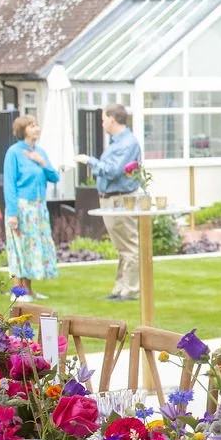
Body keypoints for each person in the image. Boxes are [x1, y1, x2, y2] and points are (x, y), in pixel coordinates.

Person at [79, 105, 144, 303]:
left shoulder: (127, 143)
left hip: (121, 198)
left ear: (113, 120)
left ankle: (132, 289)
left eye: (103, 119)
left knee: (129, 245)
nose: (102, 123)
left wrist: (90, 161)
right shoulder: (117, 142)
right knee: (121, 246)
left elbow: (114, 170)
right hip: (111, 198)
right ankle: (120, 288)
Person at [0, 115, 58, 295]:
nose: (36, 128)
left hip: (38, 209)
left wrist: (42, 162)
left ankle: (29, 290)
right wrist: (12, 213)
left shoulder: (40, 152)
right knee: (19, 247)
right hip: (21, 208)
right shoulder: (14, 153)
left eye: (37, 124)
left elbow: (54, 177)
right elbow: (9, 184)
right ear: (22, 130)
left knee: (32, 248)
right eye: (32, 125)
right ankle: (18, 291)